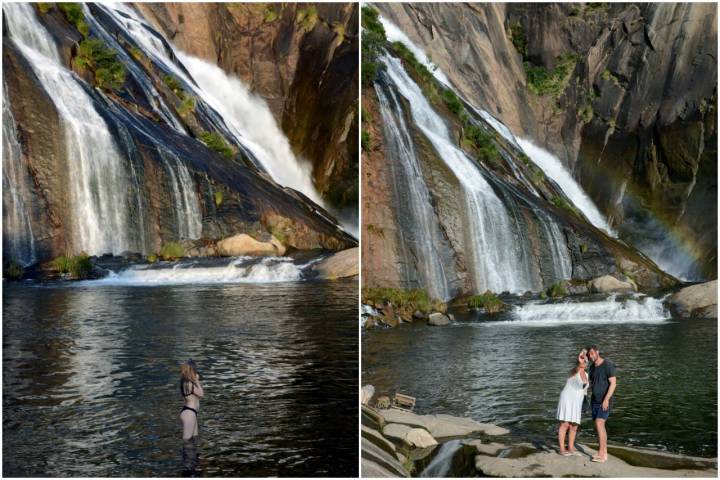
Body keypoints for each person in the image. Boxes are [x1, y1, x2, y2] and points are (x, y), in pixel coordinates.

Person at [587, 345, 617, 463]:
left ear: (597, 352)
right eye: (589, 355)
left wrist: (606, 400)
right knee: (599, 425)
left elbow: (613, 384)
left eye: (592, 353)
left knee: (600, 423)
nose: (590, 356)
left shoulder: (608, 365)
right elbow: (590, 384)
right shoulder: (592, 367)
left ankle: (601, 453)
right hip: (594, 400)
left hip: (605, 401)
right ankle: (604, 452)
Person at [556, 349, 589, 456]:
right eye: (583, 360)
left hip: (577, 402)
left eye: (586, 361)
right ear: (579, 362)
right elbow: (577, 374)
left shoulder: (586, 375)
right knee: (565, 424)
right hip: (567, 399)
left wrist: (585, 403)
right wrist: (579, 362)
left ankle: (570, 446)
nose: (584, 362)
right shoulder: (573, 372)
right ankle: (561, 448)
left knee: (574, 426)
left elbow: (584, 388)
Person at [180, 359, 204, 441]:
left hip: (191, 413)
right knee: (187, 442)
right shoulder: (188, 384)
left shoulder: (186, 382)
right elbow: (201, 394)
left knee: (194, 439)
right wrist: (197, 381)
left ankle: (193, 454)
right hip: (189, 414)